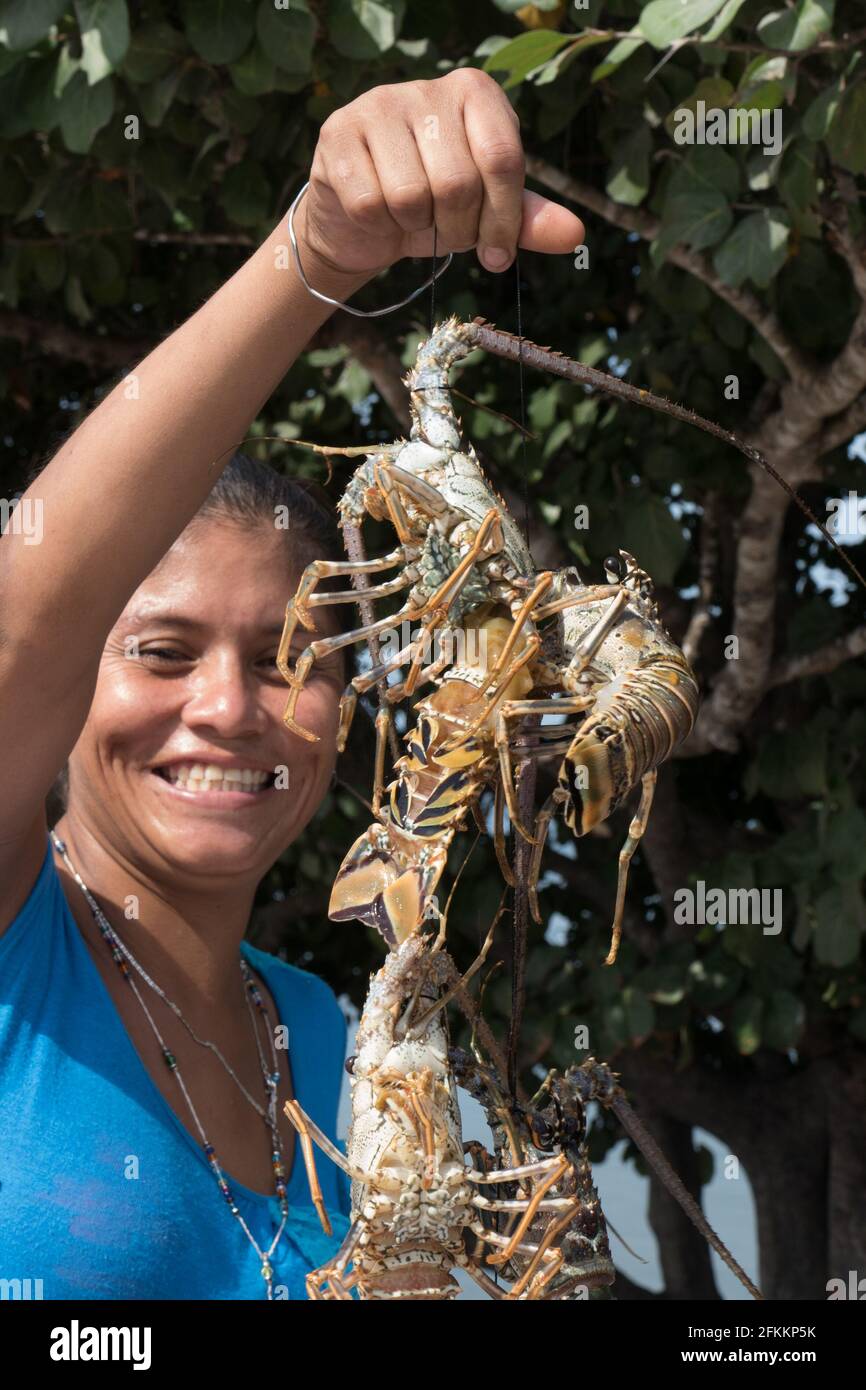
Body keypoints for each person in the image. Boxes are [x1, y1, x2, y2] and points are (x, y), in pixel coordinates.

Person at [0, 69, 584, 1300]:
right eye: (161, 650)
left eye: (295, 658)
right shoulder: (17, 945)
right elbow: (21, 626)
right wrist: (312, 256)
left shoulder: (331, 1034)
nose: (229, 706)